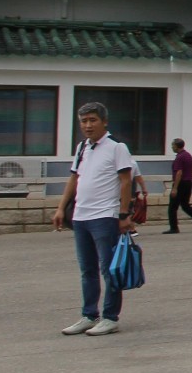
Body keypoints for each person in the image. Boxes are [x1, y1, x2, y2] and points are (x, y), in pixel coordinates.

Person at [53, 101, 138, 336]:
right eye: (84, 121)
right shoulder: (82, 148)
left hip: (105, 216)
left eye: (93, 120)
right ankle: (89, 315)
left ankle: (110, 316)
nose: (88, 125)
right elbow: (74, 179)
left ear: (104, 122)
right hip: (81, 216)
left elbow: (125, 182)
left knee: (109, 269)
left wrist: (123, 215)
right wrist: (61, 208)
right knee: (87, 269)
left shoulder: (116, 147)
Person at [165, 137, 192, 233]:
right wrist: (188, 179)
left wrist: (175, 188)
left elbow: (179, 173)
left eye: (173, 145)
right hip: (188, 183)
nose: (172, 147)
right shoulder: (188, 155)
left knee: (172, 206)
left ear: (177, 146)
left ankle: (174, 227)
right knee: (185, 205)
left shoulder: (179, 157)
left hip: (180, 184)